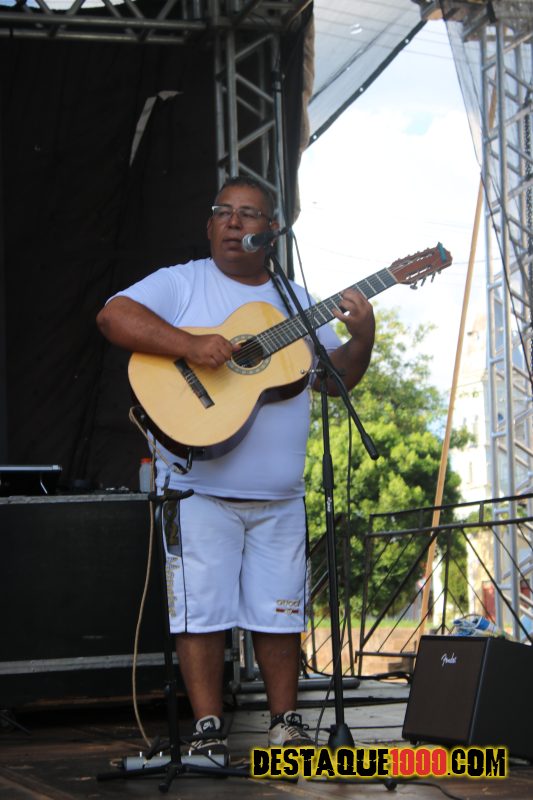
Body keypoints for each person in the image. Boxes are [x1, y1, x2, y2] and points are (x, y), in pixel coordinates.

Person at [96, 175, 375, 762]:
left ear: (270, 231)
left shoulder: (296, 302)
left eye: (247, 214)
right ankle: (207, 732)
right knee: (201, 611)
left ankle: (285, 727)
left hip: (280, 495)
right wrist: (188, 345)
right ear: (209, 225)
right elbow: (113, 317)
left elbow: (336, 380)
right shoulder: (184, 282)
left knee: (281, 613)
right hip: (197, 488)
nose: (232, 221)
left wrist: (364, 335)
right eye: (222, 211)